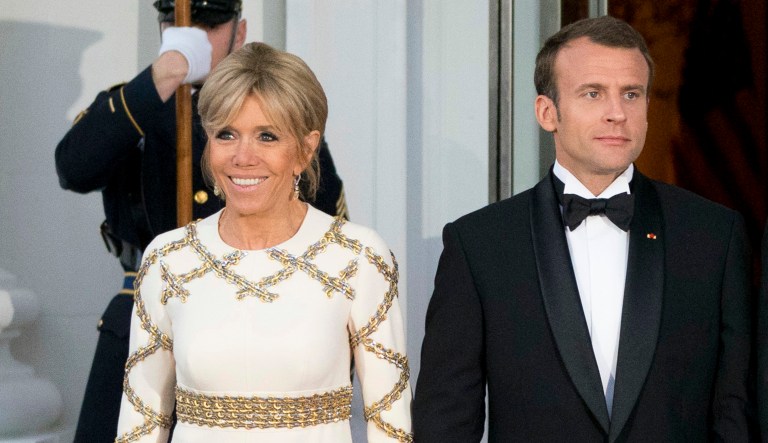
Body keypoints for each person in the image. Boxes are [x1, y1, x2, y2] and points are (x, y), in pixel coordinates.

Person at [413, 15, 752, 441]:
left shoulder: (713, 236)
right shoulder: (479, 245)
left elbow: (734, 411)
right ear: (547, 112)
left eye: (631, 94)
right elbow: (445, 419)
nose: (617, 113)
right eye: (593, 93)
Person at [55, 2, 348, 441]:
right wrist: (159, 80)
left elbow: (326, 228)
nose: (189, 33)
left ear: (240, 31)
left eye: (210, 24)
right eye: (174, 21)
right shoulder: (134, 104)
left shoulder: (277, 119)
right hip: (140, 321)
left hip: (253, 327)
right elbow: (73, 168)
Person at [114, 41, 412, 442]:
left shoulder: (358, 257)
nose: (243, 157)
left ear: (305, 149)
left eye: (267, 136)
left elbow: (391, 425)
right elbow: (140, 422)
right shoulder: (167, 259)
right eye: (227, 134)